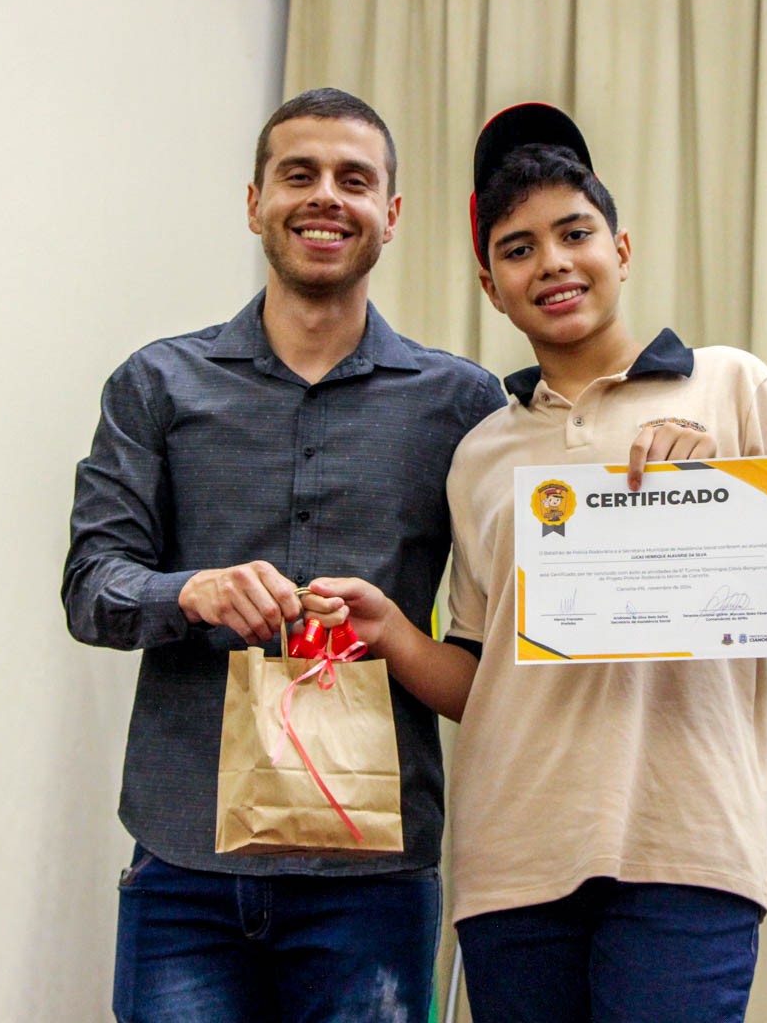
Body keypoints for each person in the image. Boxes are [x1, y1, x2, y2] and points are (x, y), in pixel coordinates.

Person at [302, 103, 767, 1022]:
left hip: (686, 849)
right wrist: (394, 634)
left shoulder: (731, 385)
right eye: (518, 249)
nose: (553, 263)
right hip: (511, 863)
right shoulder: (480, 452)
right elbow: (482, 678)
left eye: (575, 234)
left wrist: (721, 490)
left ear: (621, 249)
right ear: (491, 286)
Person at [60, 88, 510, 1022]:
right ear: (254, 201)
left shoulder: (463, 405)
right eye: (298, 175)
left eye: (354, 179)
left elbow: (563, 476)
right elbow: (91, 588)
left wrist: (702, 432)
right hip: (184, 860)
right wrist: (191, 592)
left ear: (391, 213)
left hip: (374, 877)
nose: (325, 197)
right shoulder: (156, 384)